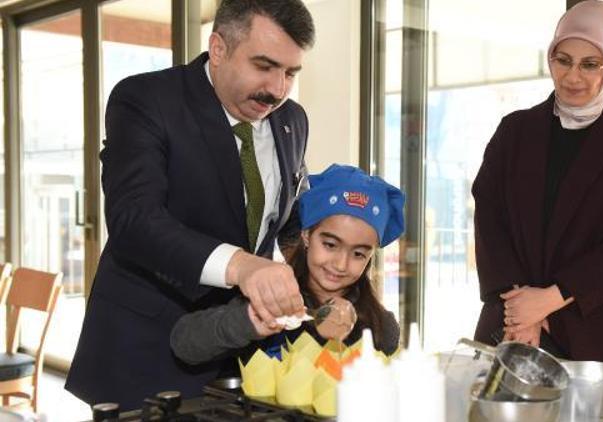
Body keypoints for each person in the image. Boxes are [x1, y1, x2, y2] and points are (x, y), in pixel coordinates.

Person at [66, 0, 316, 409]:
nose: (277, 89)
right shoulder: (146, 99)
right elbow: (134, 219)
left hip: (241, 352)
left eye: (290, 73)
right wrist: (241, 266)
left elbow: (282, 223)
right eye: (264, 66)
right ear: (218, 49)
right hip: (148, 353)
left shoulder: (293, 120)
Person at [472, 0, 603, 369]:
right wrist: (520, 308)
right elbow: (489, 217)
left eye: (591, 64)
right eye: (563, 60)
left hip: (595, 332)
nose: (573, 77)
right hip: (509, 324)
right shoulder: (515, 130)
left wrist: (551, 298)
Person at [170, 164, 404, 364]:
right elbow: (183, 343)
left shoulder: (382, 327)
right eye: (330, 245)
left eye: (359, 254)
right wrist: (251, 320)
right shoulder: (271, 295)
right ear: (306, 235)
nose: (341, 264)